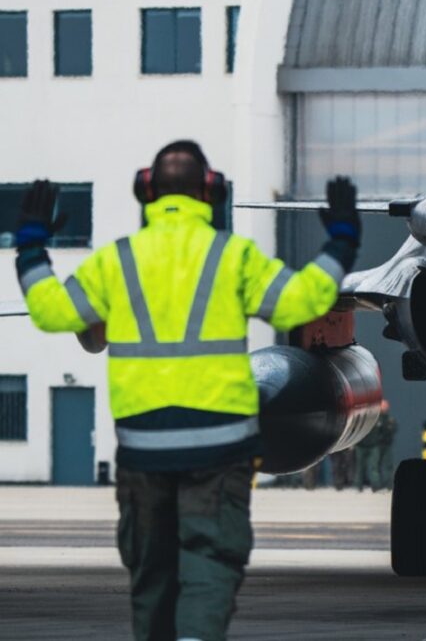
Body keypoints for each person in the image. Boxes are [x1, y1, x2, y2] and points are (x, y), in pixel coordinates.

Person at [13, 140, 360, 641]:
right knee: (210, 570)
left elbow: (50, 310)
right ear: (211, 190)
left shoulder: (118, 263)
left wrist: (29, 244)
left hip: (144, 451)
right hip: (220, 451)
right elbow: (302, 302)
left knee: (151, 577)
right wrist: (342, 243)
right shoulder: (233, 256)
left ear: (146, 190)